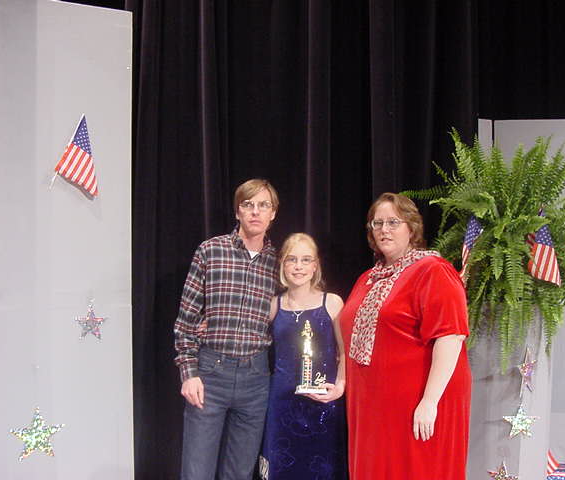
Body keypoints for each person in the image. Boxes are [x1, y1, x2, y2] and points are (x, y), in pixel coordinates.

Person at [340, 192, 472, 479]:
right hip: (372, 410)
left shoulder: (433, 270)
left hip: (415, 407)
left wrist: (429, 401)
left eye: (393, 222)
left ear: (411, 227)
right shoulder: (367, 278)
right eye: (377, 223)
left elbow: (451, 336)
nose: (384, 230)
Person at [174, 179, 279, 480]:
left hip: (256, 378)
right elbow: (186, 319)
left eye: (263, 205)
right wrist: (189, 372)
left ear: (273, 213)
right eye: (248, 204)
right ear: (237, 211)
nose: (255, 211)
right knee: (197, 471)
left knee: (240, 472)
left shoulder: (280, 262)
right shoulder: (211, 251)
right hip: (211, 373)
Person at [259, 233, 347, 480]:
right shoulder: (273, 305)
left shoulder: (332, 303)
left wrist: (340, 386)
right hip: (282, 403)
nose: (298, 266)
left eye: (306, 260)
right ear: (282, 264)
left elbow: (345, 352)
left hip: (323, 401)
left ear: (315, 265)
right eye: (292, 259)